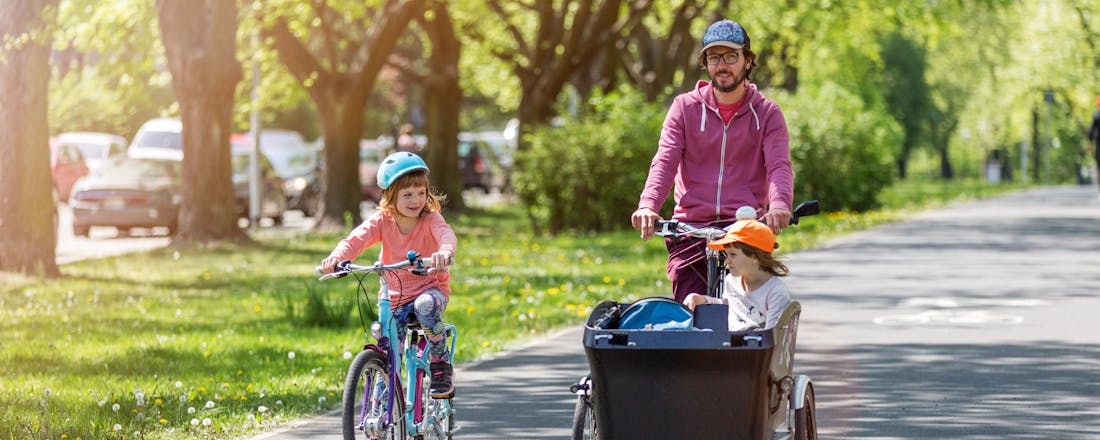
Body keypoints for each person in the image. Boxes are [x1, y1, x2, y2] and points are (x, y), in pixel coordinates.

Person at [630, 18, 794, 302]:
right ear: (705, 63)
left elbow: (778, 165)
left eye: (731, 56)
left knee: (749, 311)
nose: (723, 65)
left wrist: (779, 206)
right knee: (689, 308)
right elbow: (665, 160)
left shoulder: (767, 113)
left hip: (743, 225)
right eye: (714, 57)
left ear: (747, 61)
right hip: (691, 226)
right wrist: (648, 205)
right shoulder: (685, 108)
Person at [319, 151, 457, 398]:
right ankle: (383, 403)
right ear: (390, 197)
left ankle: (440, 364)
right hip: (394, 297)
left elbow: (446, 235)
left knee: (426, 306)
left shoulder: (430, 219)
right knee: (389, 347)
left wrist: (444, 252)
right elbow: (356, 239)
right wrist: (337, 258)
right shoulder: (383, 221)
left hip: (430, 290)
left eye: (421, 193)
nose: (416, 200)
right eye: (407, 195)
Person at [681, 219, 790, 331]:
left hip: (756, 347)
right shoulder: (731, 281)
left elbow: (774, 338)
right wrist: (702, 299)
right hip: (731, 345)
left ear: (755, 257)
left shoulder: (776, 292)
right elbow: (729, 304)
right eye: (726, 254)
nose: (727, 261)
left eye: (733, 255)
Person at [1090, 96, 1100, 195]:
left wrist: (1089, 144)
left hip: (1098, 146)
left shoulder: (1097, 115)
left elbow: (1091, 132)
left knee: (1098, 167)